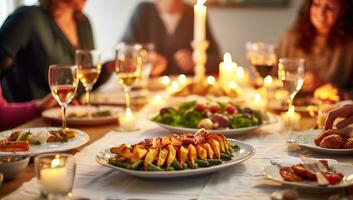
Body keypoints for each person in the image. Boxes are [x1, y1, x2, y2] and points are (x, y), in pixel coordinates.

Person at [0, 0, 94, 102]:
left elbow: (86, 83)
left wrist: (110, 67)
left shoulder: (83, 22)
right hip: (33, 117)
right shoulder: (29, 18)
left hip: (73, 114)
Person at [120, 0, 221, 76]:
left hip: (184, 93)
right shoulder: (143, 11)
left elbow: (216, 59)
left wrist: (195, 61)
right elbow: (123, 52)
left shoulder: (195, 13)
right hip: (149, 91)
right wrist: (146, 59)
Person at [276, 0, 353, 94]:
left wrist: (333, 90)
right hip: (288, 106)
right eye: (316, 4)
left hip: (332, 107)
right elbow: (272, 83)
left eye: (329, 7)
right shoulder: (290, 38)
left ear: (342, 11)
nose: (321, 12)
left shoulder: (349, 46)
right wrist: (295, 84)